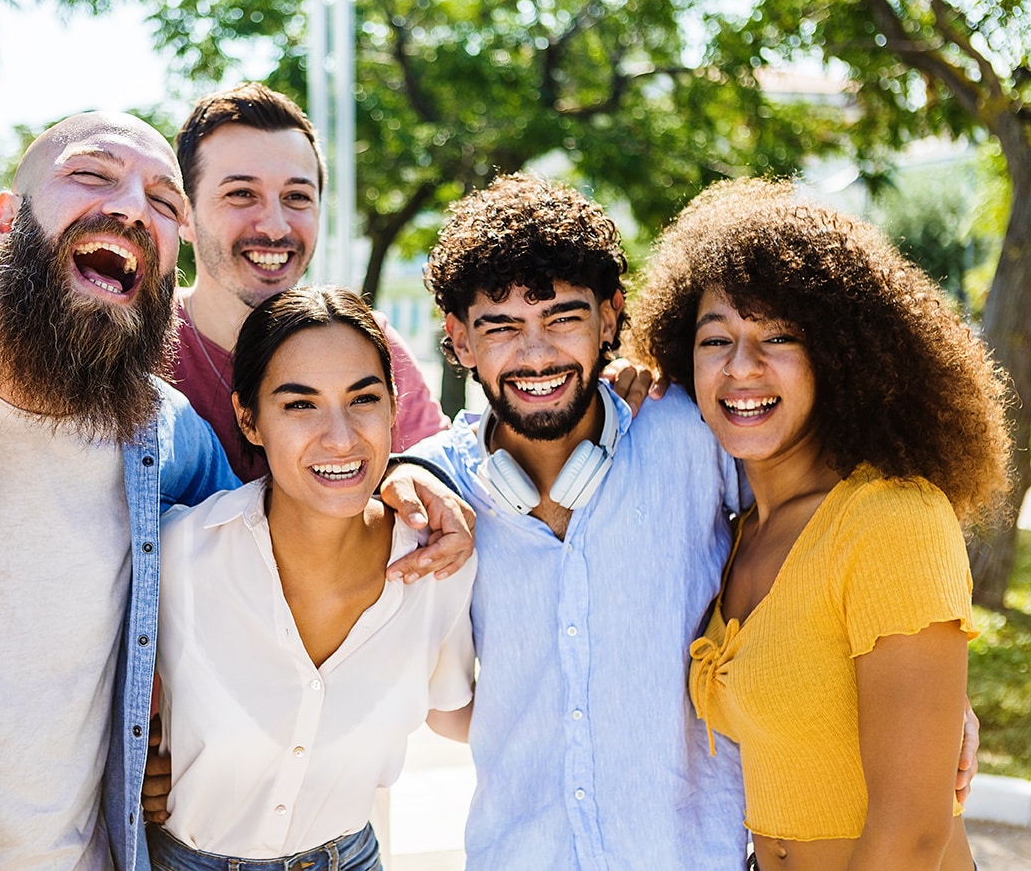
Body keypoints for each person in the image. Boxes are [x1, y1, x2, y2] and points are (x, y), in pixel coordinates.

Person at [0, 112, 472, 871]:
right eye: (91, 174)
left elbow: (290, 539)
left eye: (164, 200)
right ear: (8, 220)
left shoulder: (169, 439)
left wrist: (415, 473)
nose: (134, 207)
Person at [634, 178, 1011, 870]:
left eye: (778, 337)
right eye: (715, 339)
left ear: (840, 358)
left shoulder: (890, 519)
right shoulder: (738, 529)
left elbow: (911, 834)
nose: (741, 368)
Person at [406, 172, 749, 869]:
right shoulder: (429, 488)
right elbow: (436, 704)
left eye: (562, 317)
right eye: (499, 327)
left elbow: (829, 536)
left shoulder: (695, 435)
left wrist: (927, 685)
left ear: (609, 316)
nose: (534, 355)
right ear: (459, 340)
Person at [149, 287, 474, 870]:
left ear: (394, 407)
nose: (342, 437)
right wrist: (130, 765)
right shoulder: (178, 556)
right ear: (249, 420)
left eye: (363, 399)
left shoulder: (440, 566)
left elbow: (455, 712)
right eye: (300, 405)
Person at [169, 82, 449, 478]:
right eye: (242, 194)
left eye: (297, 197)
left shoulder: (367, 341)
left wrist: (407, 475)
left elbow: (440, 468)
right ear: (184, 214)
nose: (274, 226)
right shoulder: (135, 343)